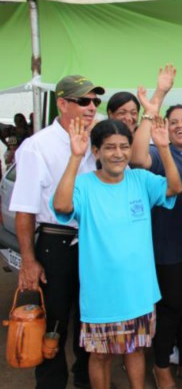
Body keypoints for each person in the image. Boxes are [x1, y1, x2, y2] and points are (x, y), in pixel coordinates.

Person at [52, 117, 182, 389]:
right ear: (96, 151)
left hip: (139, 290)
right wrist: (76, 157)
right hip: (101, 292)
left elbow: (175, 188)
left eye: (124, 146)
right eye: (110, 147)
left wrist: (165, 148)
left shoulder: (141, 179)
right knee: (100, 355)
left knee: (135, 349)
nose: (119, 154)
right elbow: (62, 206)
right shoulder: (84, 185)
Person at [10, 75, 104, 389]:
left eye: (95, 101)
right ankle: (50, 384)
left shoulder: (97, 141)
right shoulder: (37, 146)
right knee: (54, 322)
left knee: (88, 317)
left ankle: (84, 379)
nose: (92, 107)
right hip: (56, 240)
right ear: (62, 104)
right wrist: (29, 259)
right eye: (84, 100)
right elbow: (24, 209)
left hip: (92, 241)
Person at [130, 86, 182, 387]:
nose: (179, 126)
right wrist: (152, 109)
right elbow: (136, 160)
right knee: (173, 306)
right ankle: (162, 365)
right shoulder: (158, 153)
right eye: (173, 121)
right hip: (168, 245)